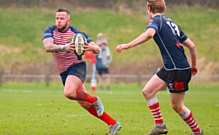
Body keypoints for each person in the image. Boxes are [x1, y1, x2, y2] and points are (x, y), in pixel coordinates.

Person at [116, 0, 203, 135]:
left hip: (177, 70)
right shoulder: (171, 23)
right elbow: (192, 46)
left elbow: (149, 34)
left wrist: (126, 45)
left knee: (177, 106)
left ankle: (197, 132)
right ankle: (160, 126)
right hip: (171, 68)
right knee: (148, 91)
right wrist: (194, 66)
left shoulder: (155, 21)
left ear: (149, 9)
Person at [42, 7, 121, 135]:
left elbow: (97, 49)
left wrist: (92, 47)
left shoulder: (77, 34)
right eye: (57, 18)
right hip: (64, 72)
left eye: (62, 18)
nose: (58, 21)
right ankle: (113, 124)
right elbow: (48, 46)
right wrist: (64, 47)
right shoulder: (50, 31)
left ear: (69, 20)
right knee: (84, 104)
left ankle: (94, 100)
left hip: (76, 66)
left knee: (68, 93)